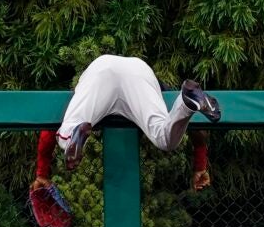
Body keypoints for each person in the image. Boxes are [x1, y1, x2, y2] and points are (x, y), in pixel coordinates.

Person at [31, 54, 220, 192]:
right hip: (139, 72)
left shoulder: (88, 80)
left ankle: (74, 133)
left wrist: (42, 173)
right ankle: (185, 103)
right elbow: (198, 129)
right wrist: (200, 165)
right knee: (164, 138)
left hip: (100, 70)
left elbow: (50, 127)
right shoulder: (154, 82)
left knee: (67, 131)